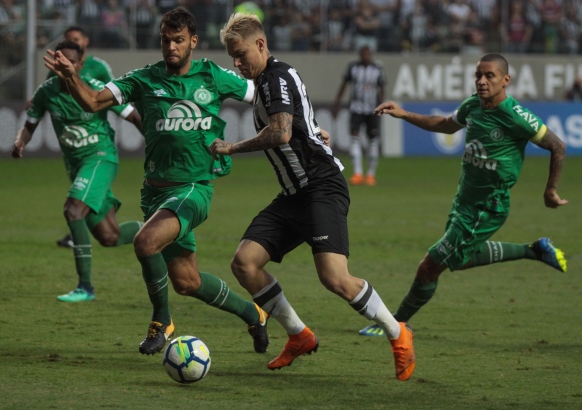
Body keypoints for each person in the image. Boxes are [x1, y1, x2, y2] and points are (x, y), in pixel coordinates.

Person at [43, 7, 270, 356]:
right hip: (155, 193)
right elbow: (92, 101)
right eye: (165, 40)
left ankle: (161, 321)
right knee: (187, 282)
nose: (171, 47)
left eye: (178, 40)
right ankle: (254, 315)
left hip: (194, 189)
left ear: (193, 41)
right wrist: (72, 77)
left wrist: (310, 127)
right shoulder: (144, 79)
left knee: (145, 242)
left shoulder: (213, 76)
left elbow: (266, 95)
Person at [210, 12, 415, 381]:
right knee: (245, 263)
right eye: (232, 57)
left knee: (335, 277)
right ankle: (298, 335)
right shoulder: (273, 79)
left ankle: (398, 333)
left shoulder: (274, 78)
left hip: (321, 186)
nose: (236, 63)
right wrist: (316, 130)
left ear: (260, 44)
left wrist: (232, 148)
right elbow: (298, 119)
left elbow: (281, 133)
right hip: (294, 194)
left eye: (240, 54)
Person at [359, 53, 568, 337]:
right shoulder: (473, 105)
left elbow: (557, 145)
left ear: (505, 80)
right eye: (478, 75)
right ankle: (535, 250)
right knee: (461, 259)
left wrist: (550, 190)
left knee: (429, 266)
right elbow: (445, 124)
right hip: (464, 201)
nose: (482, 81)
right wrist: (404, 114)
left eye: (489, 76)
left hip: (486, 207)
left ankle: (395, 325)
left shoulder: (515, 115)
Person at [12, 40, 144, 302]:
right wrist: (20, 141)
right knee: (110, 235)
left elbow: (134, 116)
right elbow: (29, 125)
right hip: (77, 167)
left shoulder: (96, 88)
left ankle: (85, 288)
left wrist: (156, 144)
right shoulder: (46, 92)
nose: (65, 65)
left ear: (80, 65)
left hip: (101, 158)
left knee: (73, 209)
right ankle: (162, 231)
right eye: (61, 60)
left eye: (71, 61)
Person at [36, 26, 115, 249]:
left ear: (85, 41)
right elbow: (50, 90)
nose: (74, 42)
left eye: (77, 39)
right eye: (69, 39)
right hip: (74, 151)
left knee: (76, 206)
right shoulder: (58, 68)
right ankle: (154, 233)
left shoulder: (99, 67)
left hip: (97, 143)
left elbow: (113, 94)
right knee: (110, 234)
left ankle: (75, 236)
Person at [331, 45, 386, 186]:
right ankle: (358, 173)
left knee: (373, 140)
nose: (365, 56)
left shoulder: (377, 69)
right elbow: (343, 85)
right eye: (363, 54)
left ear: (371, 55)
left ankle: (371, 175)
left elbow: (382, 89)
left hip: (372, 110)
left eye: (368, 54)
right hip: (356, 109)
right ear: (360, 55)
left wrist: (382, 106)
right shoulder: (353, 68)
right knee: (354, 138)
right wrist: (337, 103)